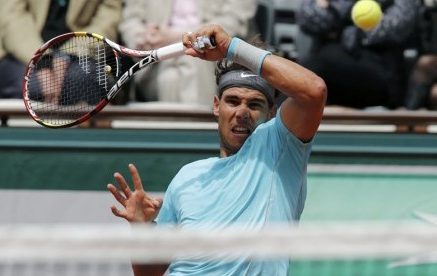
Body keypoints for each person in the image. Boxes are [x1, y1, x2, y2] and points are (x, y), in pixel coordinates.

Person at [107, 24, 327, 276]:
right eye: (232, 101)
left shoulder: (280, 146)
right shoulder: (187, 177)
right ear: (216, 106)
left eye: (254, 104)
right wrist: (141, 231)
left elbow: (314, 91)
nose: (242, 112)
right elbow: (151, 271)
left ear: (273, 113)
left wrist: (231, 48)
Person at [0, 0, 122, 101]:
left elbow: (107, 23)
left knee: (82, 81)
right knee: (29, 86)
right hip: (20, 54)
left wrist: (68, 55)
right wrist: (42, 60)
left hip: (82, 54)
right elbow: (12, 19)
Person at [119, 0, 257, 106]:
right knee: (177, 70)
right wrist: (143, 37)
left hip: (214, 58)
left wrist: (176, 37)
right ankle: (200, 136)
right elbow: (131, 20)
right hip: (155, 58)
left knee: (179, 70)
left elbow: (231, 23)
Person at [296, 0, 417, 109]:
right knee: (303, 72)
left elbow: (395, 27)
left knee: (314, 68)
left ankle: (280, 126)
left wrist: (336, 22)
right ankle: (280, 124)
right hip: (329, 72)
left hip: (382, 72)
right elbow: (307, 17)